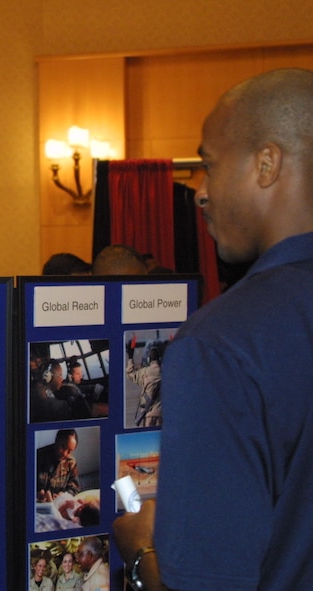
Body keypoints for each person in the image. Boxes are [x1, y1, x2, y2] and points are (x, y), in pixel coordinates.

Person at [113, 68, 313, 591]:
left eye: (209, 166)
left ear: (267, 164)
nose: (200, 193)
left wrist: (140, 551)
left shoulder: (221, 343)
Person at [125, 342, 163, 427]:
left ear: (149, 359)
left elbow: (130, 373)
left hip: (148, 414)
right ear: (160, 359)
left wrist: (130, 357)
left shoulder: (144, 372)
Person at [36, 429, 80, 503]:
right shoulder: (37, 456)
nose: (65, 453)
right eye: (63, 447)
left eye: (70, 451)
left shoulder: (71, 463)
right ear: (57, 440)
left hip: (59, 505)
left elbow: (75, 488)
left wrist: (63, 495)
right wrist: (38, 493)